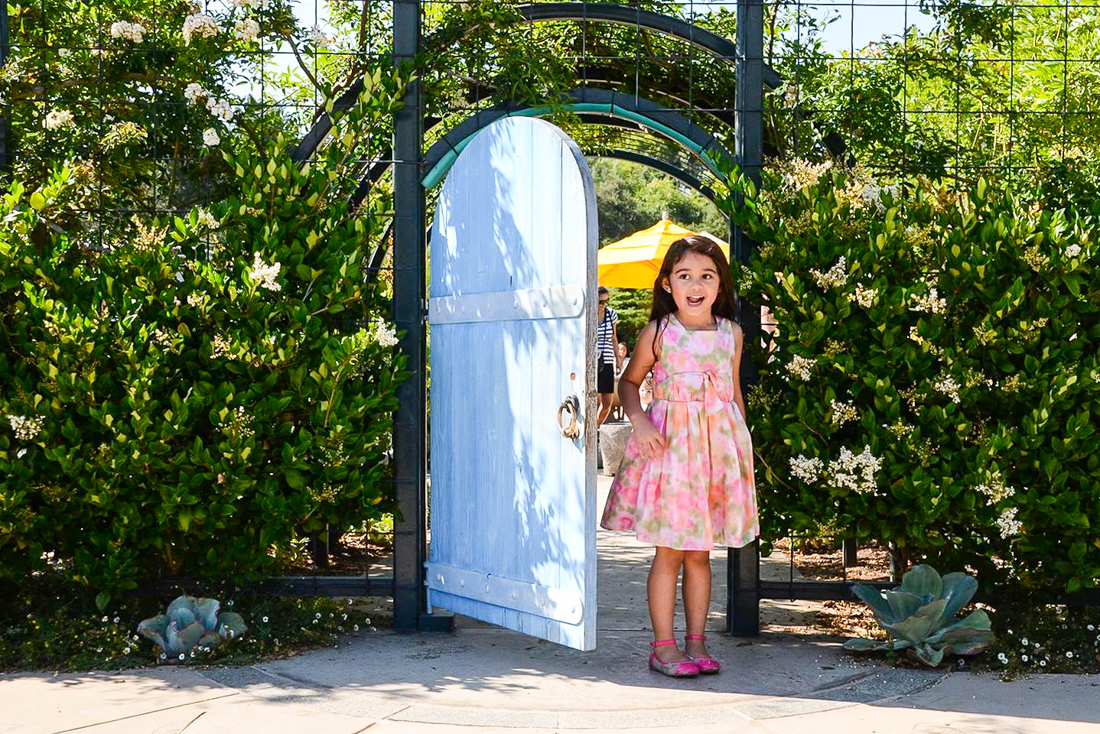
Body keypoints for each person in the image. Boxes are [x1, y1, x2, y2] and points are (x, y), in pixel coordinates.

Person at [600, 235, 758, 678]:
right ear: (668, 283)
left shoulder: (731, 333)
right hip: (670, 455)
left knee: (700, 555)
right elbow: (628, 383)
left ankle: (697, 642)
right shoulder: (660, 331)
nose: (696, 284)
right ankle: (663, 647)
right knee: (669, 551)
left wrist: (741, 450)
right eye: (684, 275)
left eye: (707, 276)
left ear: (720, 284)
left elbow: (734, 394)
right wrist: (640, 421)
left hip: (714, 456)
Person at [596, 286, 622, 425]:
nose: (604, 305)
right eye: (601, 302)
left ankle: (595, 427)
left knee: (607, 404)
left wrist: (618, 360)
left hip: (606, 360)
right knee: (591, 400)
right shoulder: (588, 314)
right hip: (592, 362)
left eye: (607, 301)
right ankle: (588, 431)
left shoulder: (611, 314)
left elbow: (614, 338)